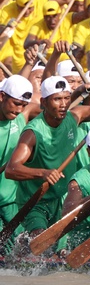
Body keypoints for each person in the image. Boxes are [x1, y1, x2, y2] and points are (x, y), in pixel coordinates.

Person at [5, 76, 90, 237]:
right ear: (44, 103)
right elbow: (11, 170)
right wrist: (43, 173)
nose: (63, 105)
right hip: (36, 202)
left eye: (67, 98)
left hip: (64, 199)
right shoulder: (31, 133)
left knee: (60, 251)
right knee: (39, 238)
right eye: (57, 99)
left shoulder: (75, 116)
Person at [0, 75, 39, 244]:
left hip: (12, 201)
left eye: (24, 105)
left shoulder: (22, 117)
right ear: (2, 96)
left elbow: (55, 109)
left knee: (19, 252)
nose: (19, 110)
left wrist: (79, 94)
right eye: (16, 103)